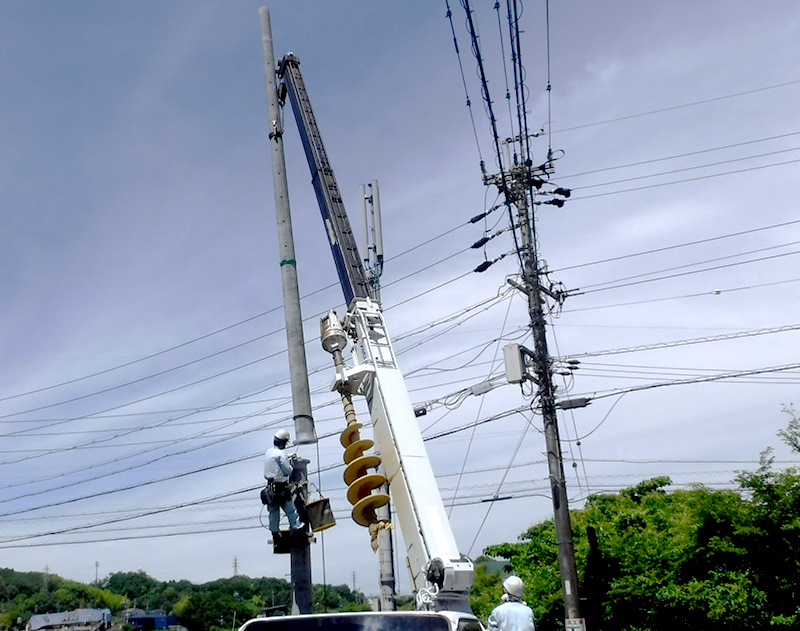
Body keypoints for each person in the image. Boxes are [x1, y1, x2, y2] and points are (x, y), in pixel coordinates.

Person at [264, 429, 301, 536]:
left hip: (269, 488)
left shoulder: (269, 452)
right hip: (280, 488)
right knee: (291, 510)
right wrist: (290, 463)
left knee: (273, 513)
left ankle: (275, 533)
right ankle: (297, 528)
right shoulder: (281, 454)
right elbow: (288, 470)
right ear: (283, 442)